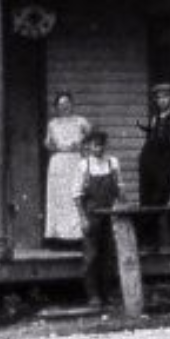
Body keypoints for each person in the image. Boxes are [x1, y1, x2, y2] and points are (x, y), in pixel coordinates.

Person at [135, 82, 170, 251]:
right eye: (158, 98)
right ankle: (147, 242)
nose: (161, 101)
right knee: (146, 202)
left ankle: (152, 242)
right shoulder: (155, 118)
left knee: (159, 202)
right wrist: (142, 160)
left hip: (165, 167)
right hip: (148, 166)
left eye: (165, 97)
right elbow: (150, 140)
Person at [74, 130, 123, 310]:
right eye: (95, 145)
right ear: (88, 146)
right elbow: (77, 196)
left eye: (101, 145)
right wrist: (83, 219)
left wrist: (120, 207)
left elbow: (120, 190)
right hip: (92, 216)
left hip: (110, 216)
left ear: (105, 146)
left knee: (109, 256)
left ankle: (107, 294)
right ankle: (93, 295)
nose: (98, 148)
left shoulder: (113, 163)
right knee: (91, 256)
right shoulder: (84, 166)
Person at [41, 91, 90, 248]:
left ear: (72, 104)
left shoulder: (80, 121)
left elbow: (91, 136)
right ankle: (59, 239)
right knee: (60, 200)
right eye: (61, 104)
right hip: (59, 162)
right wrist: (54, 146)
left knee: (75, 196)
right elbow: (47, 143)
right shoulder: (53, 124)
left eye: (67, 103)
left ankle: (77, 238)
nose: (64, 107)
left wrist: (81, 143)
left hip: (75, 160)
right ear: (56, 107)